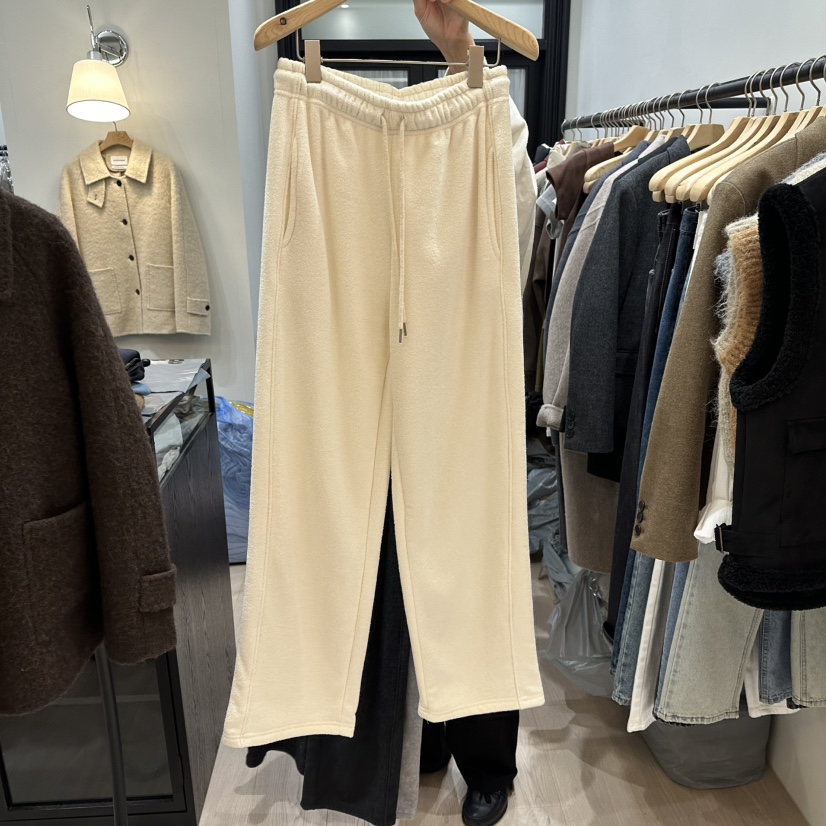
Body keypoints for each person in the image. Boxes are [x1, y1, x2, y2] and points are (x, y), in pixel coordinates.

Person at [412, 2, 523, 825]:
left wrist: (460, 53)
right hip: (386, 373)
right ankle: (421, 728)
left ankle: (487, 764)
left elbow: (515, 209)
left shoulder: (485, 139)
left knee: (475, 575)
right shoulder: (353, 145)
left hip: (469, 379)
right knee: (398, 571)